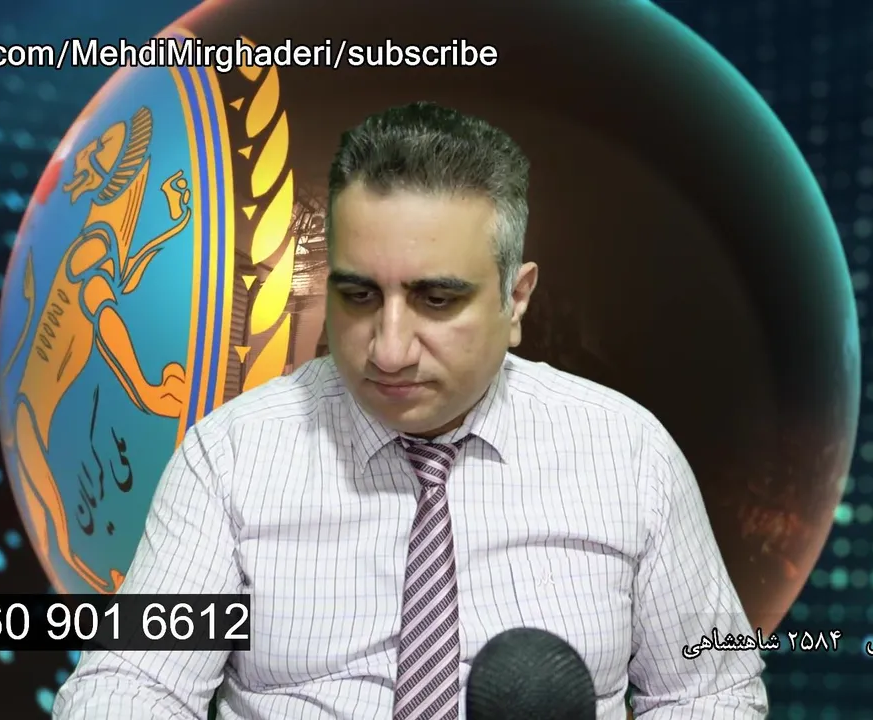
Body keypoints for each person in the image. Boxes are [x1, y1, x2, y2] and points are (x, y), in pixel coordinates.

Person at [53, 101, 767, 719]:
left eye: (437, 299)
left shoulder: (630, 455)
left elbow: (710, 690)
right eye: (358, 296)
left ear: (516, 299)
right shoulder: (231, 457)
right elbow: (133, 682)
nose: (389, 350)